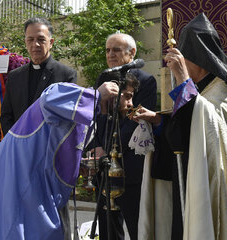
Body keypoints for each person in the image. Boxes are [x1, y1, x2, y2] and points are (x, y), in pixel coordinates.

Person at [133, 13, 227, 239]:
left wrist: (184, 80)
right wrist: (158, 120)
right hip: (188, 180)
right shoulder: (199, 89)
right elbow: (184, 130)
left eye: (184, 58)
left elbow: (209, 126)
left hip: (214, 188)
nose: (181, 64)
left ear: (200, 57)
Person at [0, 81, 120, 240]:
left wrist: (78, 165)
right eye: (128, 97)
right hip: (17, 171)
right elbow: (48, 98)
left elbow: (56, 146)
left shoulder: (89, 112)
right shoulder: (74, 93)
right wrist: (96, 94)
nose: (130, 104)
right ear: (112, 90)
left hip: (30, 171)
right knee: (16, 228)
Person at [92, 33, 157, 240]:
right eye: (108, 50)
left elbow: (136, 122)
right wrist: (97, 146)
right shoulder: (103, 79)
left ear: (132, 53)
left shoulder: (146, 82)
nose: (110, 54)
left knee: (138, 228)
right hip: (104, 171)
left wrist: (109, 145)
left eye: (116, 50)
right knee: (108, 232)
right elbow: (95, 116)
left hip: (131, 169)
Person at [1, 17, 77, 135]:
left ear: (51, 42)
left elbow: (67, 118)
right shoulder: (14, 77)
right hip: (19, 147)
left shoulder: (66, 75)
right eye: (30, 39)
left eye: (41, 39)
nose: (35, 44)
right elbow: (6, 116)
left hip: (49, 148)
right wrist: (14, 141)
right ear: (25, 42)